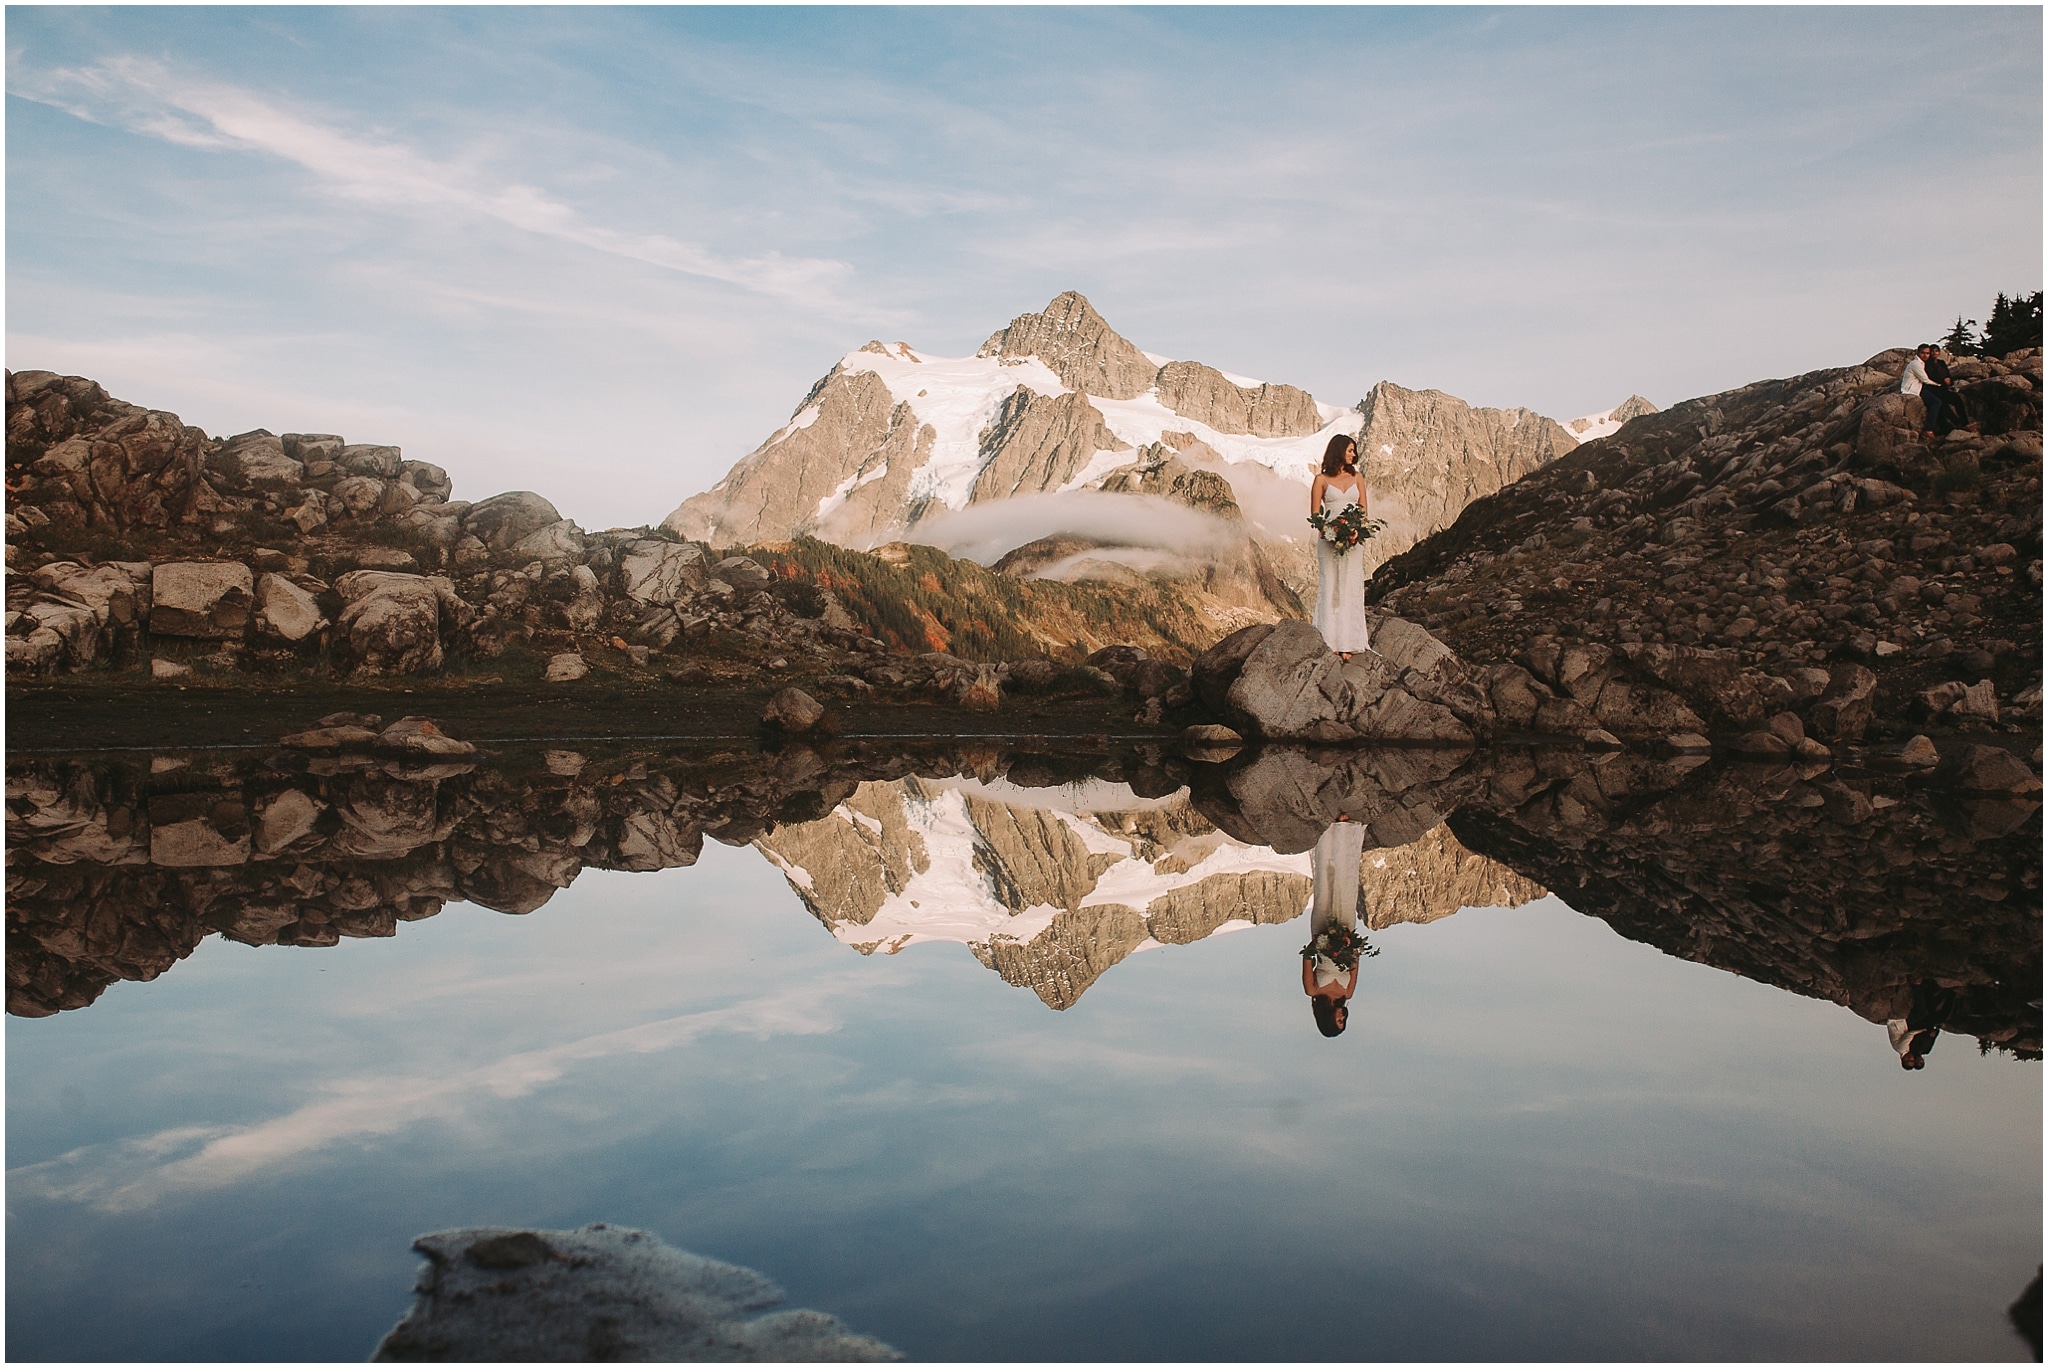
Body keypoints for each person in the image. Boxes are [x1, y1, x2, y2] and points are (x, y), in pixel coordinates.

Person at [1302, 817, 1368, 1037]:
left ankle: (1325, 830)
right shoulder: (1347, 993)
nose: (1343, 1017)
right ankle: (1346, 830)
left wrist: (1322, 942)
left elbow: (1306, 957)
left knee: (1325, 886)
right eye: (1344, 1021)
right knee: (1344, 889)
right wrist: (1348, 942)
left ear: (1328, 1019)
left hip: (1321, 931)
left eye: (1338, 1021)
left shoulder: (1313, 990)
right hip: (1345, 931)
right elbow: (1355, 962)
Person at [1309, 434, 1371, 661]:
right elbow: (1315, 515)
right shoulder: (1321, 480)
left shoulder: (1358, 477)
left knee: (1351, 585)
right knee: (1331, 584)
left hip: (1354, 540)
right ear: (1338, 451)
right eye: (1350, 450)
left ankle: (1349, 643)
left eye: (1354, 450)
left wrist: (1356, 530)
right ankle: (1330, 641)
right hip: (1329, 540)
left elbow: (1363, 510)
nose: (1353, 454)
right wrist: (1329, 531)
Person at [1887, 978, 1956, 1070]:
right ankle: (1949, 992)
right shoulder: (1916, 1050)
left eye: (1908, 1060)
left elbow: (1909, 1035)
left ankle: (1917, 986)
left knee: (1923, 1012)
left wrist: (1923, 1030)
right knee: (1937, 1014)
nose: (1910, 1059)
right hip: (1907, 1025)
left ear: (1902, 1060)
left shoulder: (1901, 1048)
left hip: (1900, 1023)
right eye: (1912, 1061)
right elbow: (1930, 1039)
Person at [1923, 347, 1978, 436]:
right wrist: (1942, 380)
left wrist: (1949, 381)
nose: (1934, 353)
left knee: (1957, 399)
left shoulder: (1941, 363)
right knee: (1944, 405)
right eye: (1932, 351)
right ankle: (1959, 424)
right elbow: (1930, 377)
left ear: (1939, 353)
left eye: (1936, 351)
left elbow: (1948, 374)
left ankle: (1965, 422)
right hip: (1934, 389)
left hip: (1944, 388)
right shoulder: (1926, 364)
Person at [1901, 344, 1942, 439]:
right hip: (1912, 390)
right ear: (1918, 353)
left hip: (1918, 388)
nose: (1925, 355)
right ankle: (1928, 429)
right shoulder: (1916, 364)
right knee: (1936, 402)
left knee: (1938, 399)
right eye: (1923, 353)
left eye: (1927, 353)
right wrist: (1939, 385)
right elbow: (1925, 380)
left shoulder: (1922, 363)